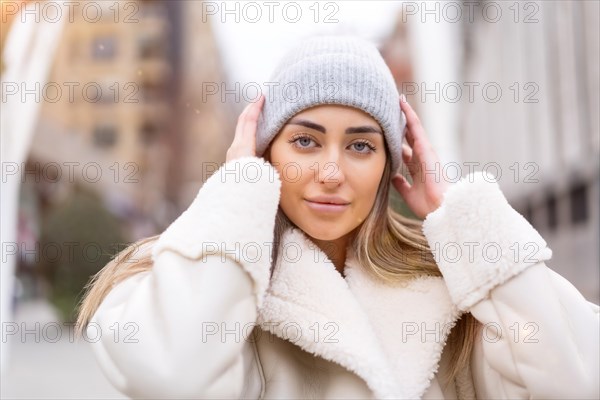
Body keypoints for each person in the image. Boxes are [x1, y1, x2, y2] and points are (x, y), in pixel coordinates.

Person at [76, 36, 599, 399]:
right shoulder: (177, 278)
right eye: (305, 140)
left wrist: (461, 219)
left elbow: (579, 379)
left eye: (360, 146)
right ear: (262, 153)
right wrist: (237, 195)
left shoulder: (449, 292)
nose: (331, 172)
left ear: (392, 163)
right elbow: (175, 378)